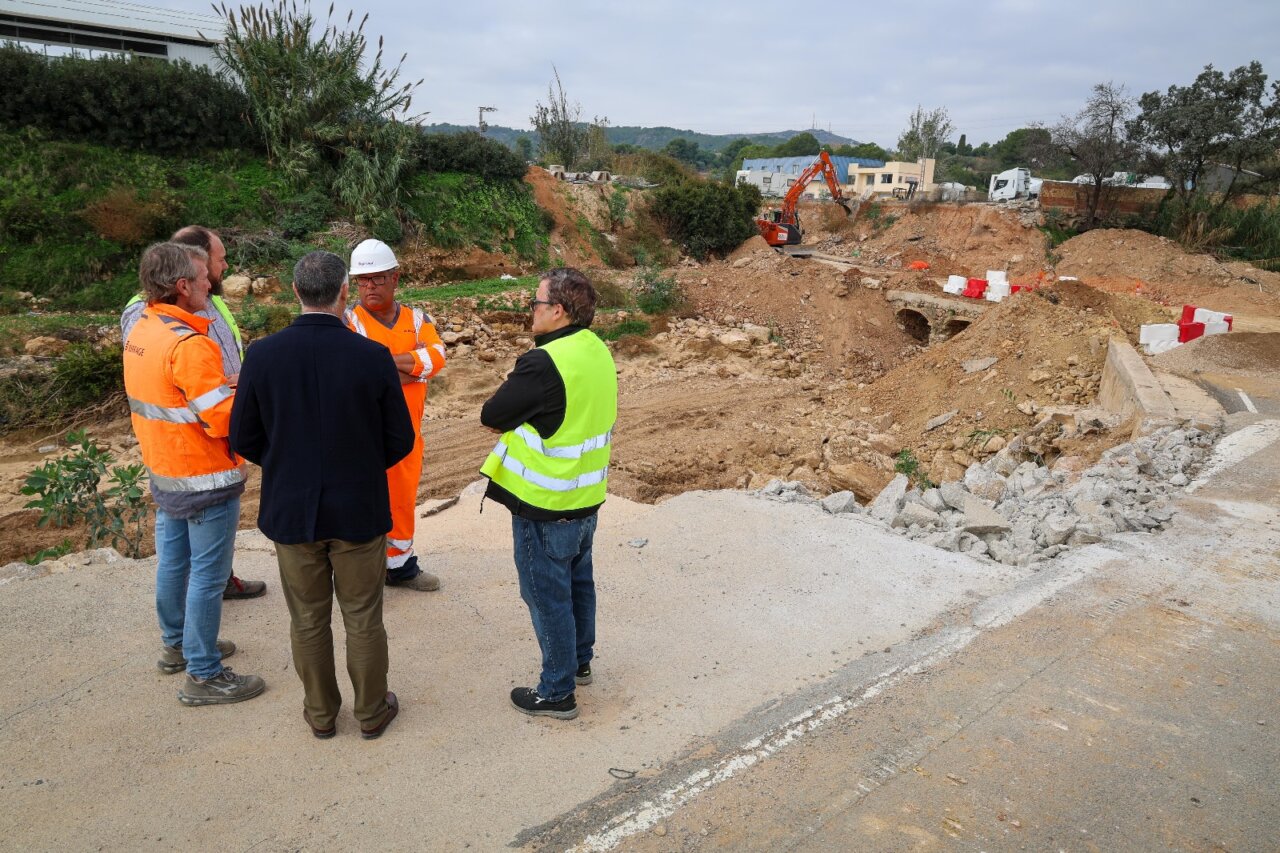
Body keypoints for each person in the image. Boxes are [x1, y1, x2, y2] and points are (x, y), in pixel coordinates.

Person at [229, 251, 413, 739]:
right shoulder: (371, 356)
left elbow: (243, 436)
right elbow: (401, 439)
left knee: (307, 619)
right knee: (363, 618)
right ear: (345, 293)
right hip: (358, 511)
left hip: (292, 512)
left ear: (295, 292)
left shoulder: (263, 355)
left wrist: (289, 465)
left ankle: (320, 715)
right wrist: (358, 467)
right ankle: (372, 713)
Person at [123, 242, 265, 706]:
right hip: (206, 477)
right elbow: (222, 420)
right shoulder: (191, 346)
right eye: (203, 277)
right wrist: (252, 401)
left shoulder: (144, 330)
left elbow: (173, 398)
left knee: (174, 562)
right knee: (208, 576)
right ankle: (204, 672)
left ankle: (177, 645)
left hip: (165, 471)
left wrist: (218, 389)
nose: (211, 283)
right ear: (183, 286)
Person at [479, 268, 618, 720]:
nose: (530, 312)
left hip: (545, 507)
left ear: (558, 311)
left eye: (535, 304)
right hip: (585, 499)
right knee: (579, 585)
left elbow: (494, 413)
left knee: (546, 596)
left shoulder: (543, 362)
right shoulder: (595, 349)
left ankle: (556, 691)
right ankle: (579, 662)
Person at [344, 239, 447, 591]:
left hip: (406, 433)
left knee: (401, 502)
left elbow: (437, 359)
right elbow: (355, 372)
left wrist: (384, 367)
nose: (369, 287)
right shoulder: (347, 321)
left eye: (377, 279)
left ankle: (400, 566)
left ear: (395, 278)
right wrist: (411, 366)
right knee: (360, 501)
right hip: (362, 434)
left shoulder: (417, 319)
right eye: (362, 281)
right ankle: (362, 571)